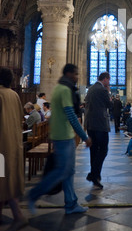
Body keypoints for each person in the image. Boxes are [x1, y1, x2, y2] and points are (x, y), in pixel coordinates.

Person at [27, 64, 91, 215]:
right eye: (75, 74)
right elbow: (71, 115)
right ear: (68, 74)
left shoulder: (60, 88)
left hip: (63, 135)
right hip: (63, 136)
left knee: (69, 171)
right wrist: (84, 137)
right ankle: (33, 194)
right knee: (61, 171)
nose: (77, 77)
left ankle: (71, 204)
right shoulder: (64, 90)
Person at [0, 68, 29, 231]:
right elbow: (20, 119)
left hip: (2, 146)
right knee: (4, 180)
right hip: (13, 144)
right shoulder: (14, 95)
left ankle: (18, 216)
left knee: (4, 180)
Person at [84, 72, 112, 189]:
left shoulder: (90, 89)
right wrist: (109, 92)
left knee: (94, 150)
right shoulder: (103, 90)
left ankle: (95, 175)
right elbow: (109, 105)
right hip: (100, 124)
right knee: (104, 150)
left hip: (90, 124)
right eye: (108, 80)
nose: (109, 83)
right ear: (105, 79)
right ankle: (93, 174)